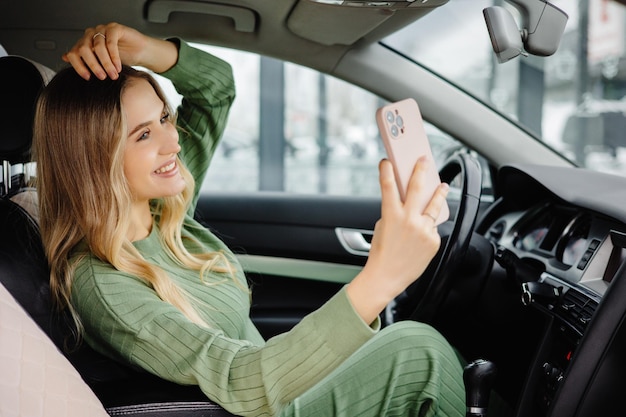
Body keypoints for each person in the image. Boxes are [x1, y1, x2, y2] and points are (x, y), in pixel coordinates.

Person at [33, 22, 465, 417]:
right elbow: (241, 380)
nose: (174, 142)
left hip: (283, 387)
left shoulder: (163, 210)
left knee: (421, 348)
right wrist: (383, 278)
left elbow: (216, 90)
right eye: (143, 134)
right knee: (421, 353)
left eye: (165, 117)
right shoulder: (101, 284)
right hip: (263, 404)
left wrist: (145, 49)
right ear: (94, 160)